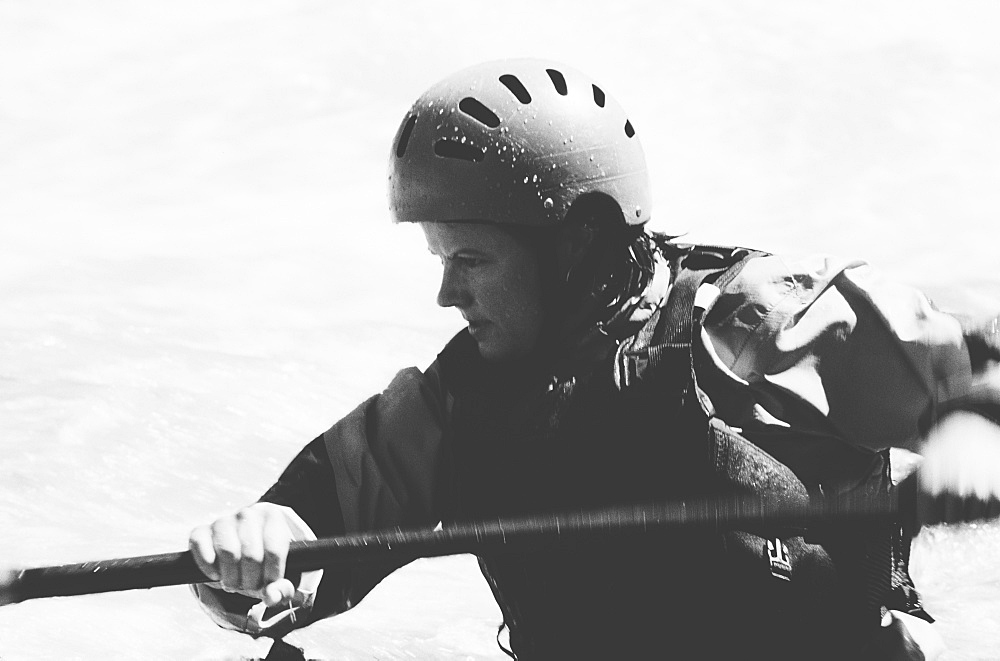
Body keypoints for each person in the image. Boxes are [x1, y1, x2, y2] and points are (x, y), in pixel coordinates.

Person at [188, 59, 1000, 660]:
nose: (446, 296)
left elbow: (983, 374)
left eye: (470, 261)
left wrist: (974, 445)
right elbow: (295, 538)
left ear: (575, 244)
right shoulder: (456, 404)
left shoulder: (772, 325)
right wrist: (245, 560)